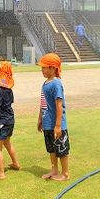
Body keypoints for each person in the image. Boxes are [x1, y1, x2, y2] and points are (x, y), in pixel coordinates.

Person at [37, 53, 70, 181]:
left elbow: (59, 105)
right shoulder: (45, 84)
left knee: (61, 149)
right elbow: (43, 103)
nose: (42, 70)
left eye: (44, 67)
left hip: (57, 124)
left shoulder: (56, 84)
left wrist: (58, 125)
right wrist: (40, 119)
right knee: (51, 149)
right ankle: (54, 170)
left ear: (52, 68)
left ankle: (65, 173)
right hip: (47, 123)